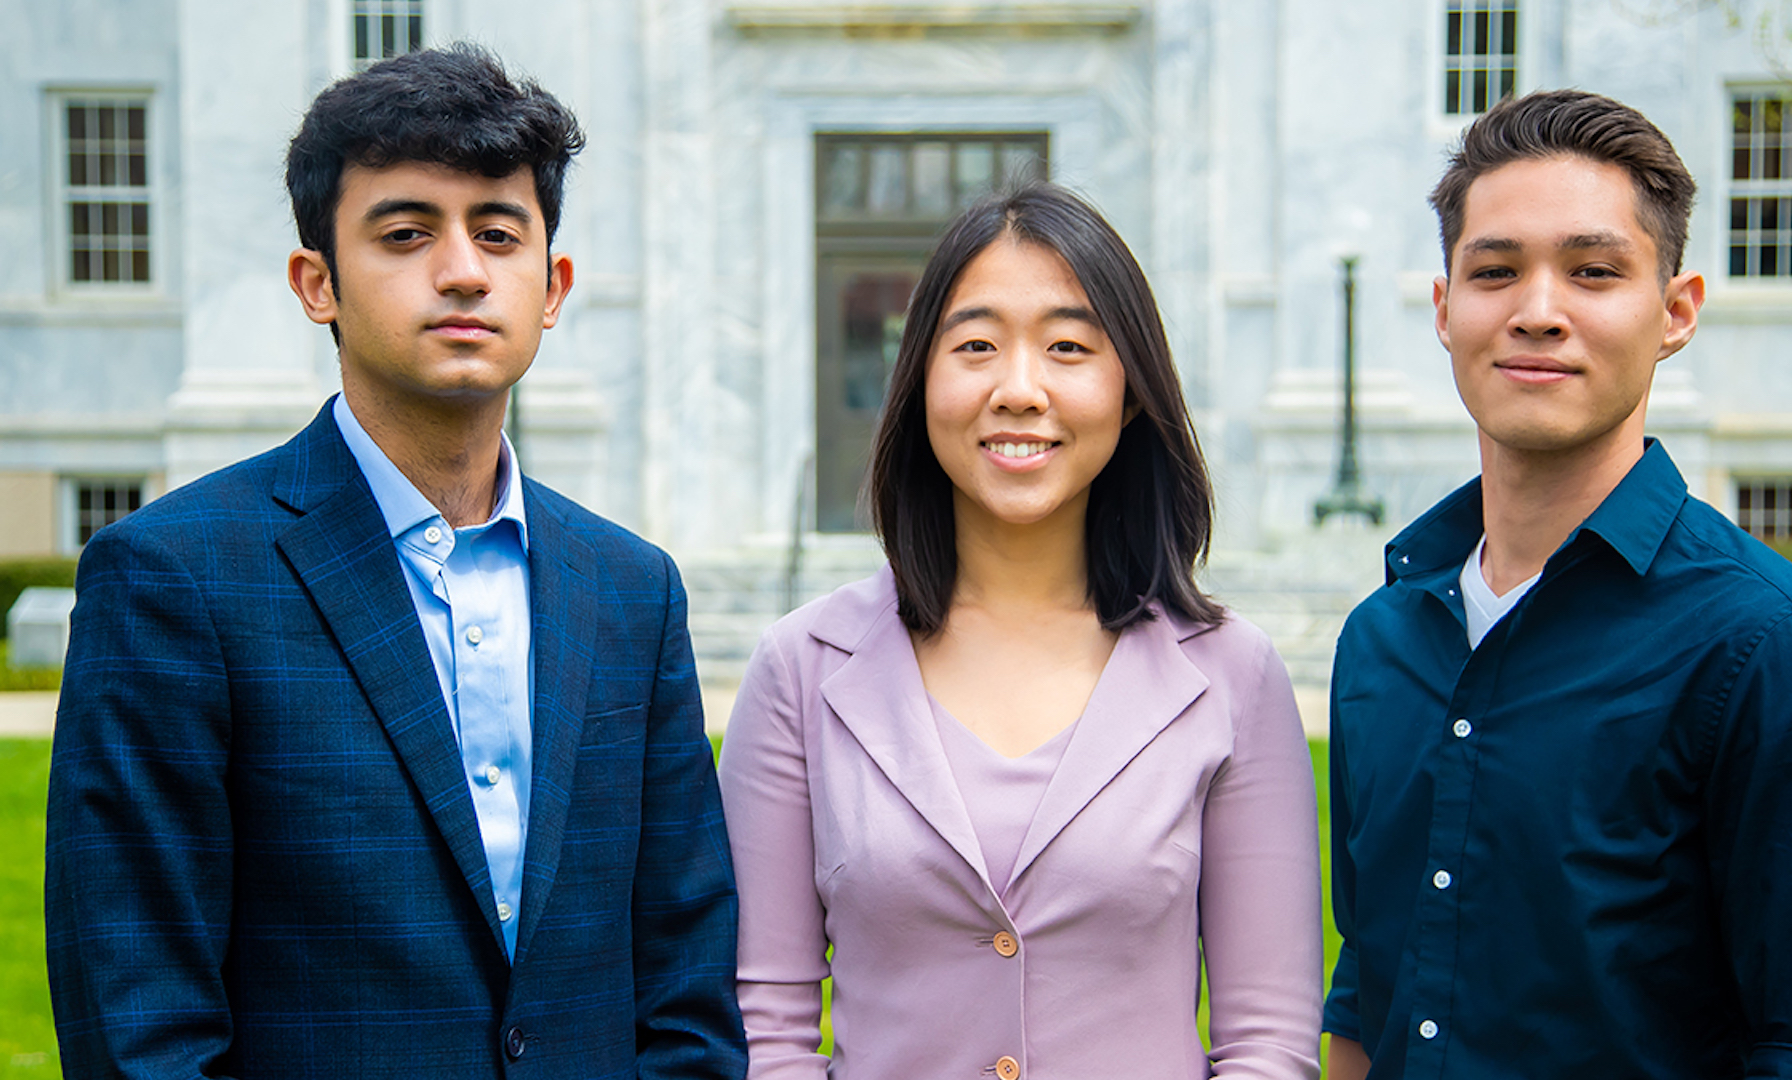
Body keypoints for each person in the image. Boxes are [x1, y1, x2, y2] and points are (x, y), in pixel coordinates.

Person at [44, 45, 746, 1078]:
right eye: (407, 232)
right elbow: (135, 1015)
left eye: (498, 234)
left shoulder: (632, 590)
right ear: (316, 282)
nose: (462, 270)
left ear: (551, 288)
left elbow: (685, 983)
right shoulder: (172, 579)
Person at [1321, 88, 1792, 1080]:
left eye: (1594, 272)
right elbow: (1374, 988)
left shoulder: (1780, 650)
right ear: (1445, 308)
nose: (1537, 312)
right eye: (1495, 271)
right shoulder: (1382, 639)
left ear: (1675, 312)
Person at [717, 182, 1323, 1079]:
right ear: (921, 380)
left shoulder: (1234, 674)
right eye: (975, 347)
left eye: (1069, 348)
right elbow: (763, 1029)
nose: (1020, 389)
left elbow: (1266, 1041)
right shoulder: (801, 670)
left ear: (1130, 394)